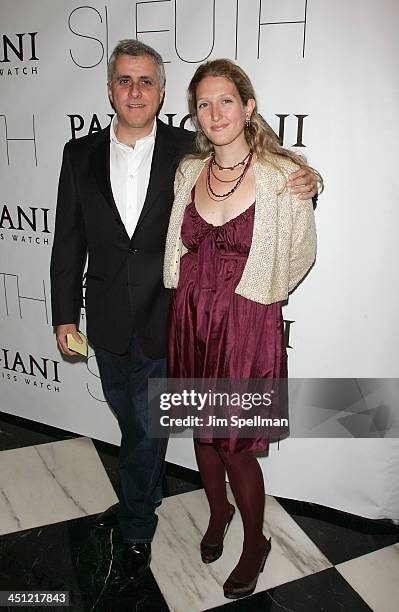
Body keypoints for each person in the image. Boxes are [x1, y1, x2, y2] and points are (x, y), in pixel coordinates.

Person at [50, 39, 317, 583]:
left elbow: (286, 186)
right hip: (127, 320)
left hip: (172, 318)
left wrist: (313, 180)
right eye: (124, 80)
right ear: (109, 90)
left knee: (164, 430)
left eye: (146, 80)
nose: (135, 90)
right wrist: (64, 314)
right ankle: (167, 496)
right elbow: (68, 240)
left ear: (162, 91)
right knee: (143, 423)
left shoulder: (183, 149)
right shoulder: (83, 155)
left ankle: (136, 522)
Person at [164, 59, 320, 599]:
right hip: (191, 317)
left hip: (247, 324)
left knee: (235, 447)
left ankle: (256, 543)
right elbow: (177, 247)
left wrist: (256, 295)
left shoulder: (282, 175)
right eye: (203, 103)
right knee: (201, 437)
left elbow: (302, 251)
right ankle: (218, 512)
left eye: (225, 100)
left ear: (248, 106)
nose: (214, 112)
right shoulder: (189, 171)